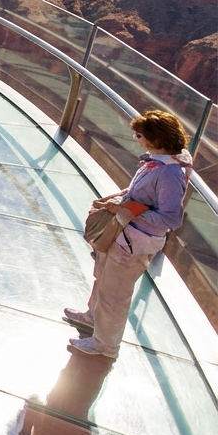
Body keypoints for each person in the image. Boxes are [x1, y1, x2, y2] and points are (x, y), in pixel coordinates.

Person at [65, 110, 192, 358]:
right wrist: (117, 199)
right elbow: (142, 191)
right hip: (121, 232)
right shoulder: (158, 159)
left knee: (115, 295)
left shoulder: (170, 172)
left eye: (139, 134)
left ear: (158, 139)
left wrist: (127, 210)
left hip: (135, 243)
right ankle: (92, 318)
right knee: (102, 280)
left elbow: (170, 218)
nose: (136, 138)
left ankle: (105, 346)